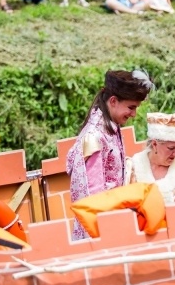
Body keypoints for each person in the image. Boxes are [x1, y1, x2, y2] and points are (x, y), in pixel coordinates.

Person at [66, 69, 155, 240]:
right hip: (100, 230)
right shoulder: (94, 137)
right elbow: (93, 195)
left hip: (112, 222)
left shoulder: (109, 129)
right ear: (113, 101)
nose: (134, 114)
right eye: (131, 107)